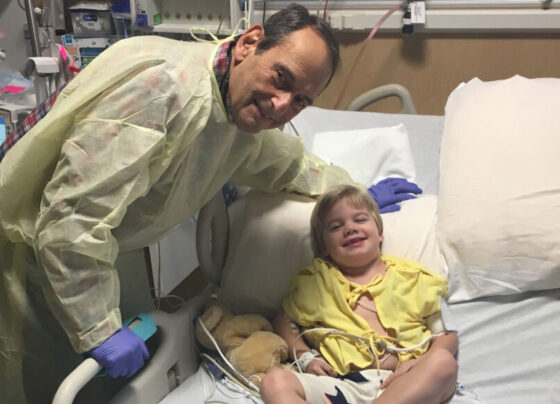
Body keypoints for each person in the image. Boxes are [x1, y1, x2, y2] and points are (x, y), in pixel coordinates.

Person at [0, 4, 420, 402]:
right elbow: (70, 219)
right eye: (282, 78)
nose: (281, 106)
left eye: (301, 101)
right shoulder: (162, 90)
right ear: (250, 43)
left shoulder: (234, 108)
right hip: (32, 258)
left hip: (104, 252)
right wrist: (98, 330)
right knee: (37, 383)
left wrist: (353, 194)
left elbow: (287, 164)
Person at [260, 184, 457, 404]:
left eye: (360, 220)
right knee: (274, 382)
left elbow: (447, 333)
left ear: (380, 233)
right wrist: (305, 356)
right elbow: (283, 319)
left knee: (443, 362)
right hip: (342, 384)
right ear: (322, 246)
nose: (350, 228)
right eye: (335, 227)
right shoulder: (316, 283)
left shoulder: (415, 279)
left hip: (402, 384)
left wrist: (423, 361)